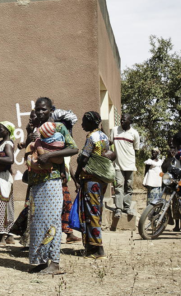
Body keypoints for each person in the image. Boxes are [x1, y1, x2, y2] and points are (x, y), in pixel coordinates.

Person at [25, 98, 77, 275]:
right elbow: (28, 149)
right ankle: (41, 261)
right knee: (37, 223)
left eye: (43, 109)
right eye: (37, 109)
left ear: (50, 110)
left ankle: (54, 263)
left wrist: (48, 156)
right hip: (36, 181)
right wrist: (29, 138)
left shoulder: (59, 128)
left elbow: (73, 149)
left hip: (52, 180)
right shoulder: (35, 130)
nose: (40, 113)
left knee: (53, 221)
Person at [74, 111, 115, 260]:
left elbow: (84, 158)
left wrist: (77, 175)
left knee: (91, 213)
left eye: (84, 121)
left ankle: (99, 250)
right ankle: (91, 247)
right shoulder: (104, 136)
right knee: (96, 211)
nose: (82, 124)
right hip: (101, 180)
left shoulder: (92, 137)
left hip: (91, 180)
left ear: (91, 122)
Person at [110, 114, 141, 218]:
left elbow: (136, 149)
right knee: (118, 186)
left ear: (130, 121)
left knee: (129, 186)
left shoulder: (134, 133)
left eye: (124, 120)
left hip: (130, 165)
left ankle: (127, 207)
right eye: (121, 119)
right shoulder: (114, 130)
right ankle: (118, 208)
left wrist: (130, 161)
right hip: (118, 165)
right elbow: (110, 144)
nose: (121, 121)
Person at [0, 121, 16, 245]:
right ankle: (7, 235)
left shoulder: (7, 144)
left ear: (7, 130)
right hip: (0, 177)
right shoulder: (0, 143)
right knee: (3, 206)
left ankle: (2, 237)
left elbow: (10, 159)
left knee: (2, 206)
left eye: (0, 129)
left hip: (3, 178)